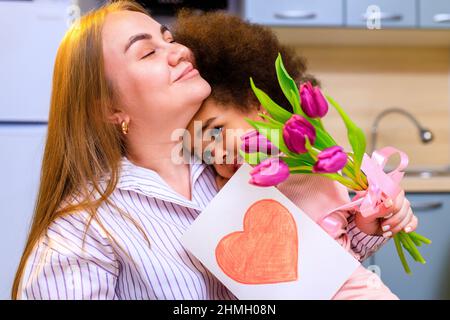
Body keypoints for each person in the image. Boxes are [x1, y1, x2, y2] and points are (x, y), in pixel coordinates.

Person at [174, 11, 418, 299]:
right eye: (202, 149)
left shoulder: (313, 166)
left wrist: (367, 223)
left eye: (216, 130)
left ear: (258, 105)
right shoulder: (223, 194)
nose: (214, 152)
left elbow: (343, 253)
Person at [12, 0, 235, 299]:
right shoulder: (80, 231)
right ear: (109, 109)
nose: (180, 51)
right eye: (148, 52)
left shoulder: (231, 165)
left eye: (169, 39)